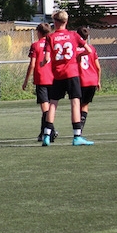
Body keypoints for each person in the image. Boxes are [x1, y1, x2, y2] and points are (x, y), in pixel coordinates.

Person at [39, 10, 93, 146]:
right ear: (66, 21)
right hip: (72, 73)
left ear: (55, 22)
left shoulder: (50, 37)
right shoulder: (73, 35)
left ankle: (46, 135)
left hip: (58, 74)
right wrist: (78, 55)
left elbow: (46, 58)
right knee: (75, 102)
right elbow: (88, 50)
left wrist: (43, 63)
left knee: (53, 103)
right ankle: (77, 136)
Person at [21, 22, 56, 142]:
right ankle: (43, 132)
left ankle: (51, 130)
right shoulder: (53, 44)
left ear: (39, 32)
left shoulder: (35, 45)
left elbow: (32, 64)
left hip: (41, 78)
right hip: (53, 78)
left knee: (45, 108)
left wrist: (26, 80)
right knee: (51, 107)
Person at [76, 26, 101, 134]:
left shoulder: (75, 49)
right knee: (85, 105)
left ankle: (77, 129)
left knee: (77, 105)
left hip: (80, 80)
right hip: (92, 80)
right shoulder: (92, 49)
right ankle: (81, 127)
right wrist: (98, 81)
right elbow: (98, 67)